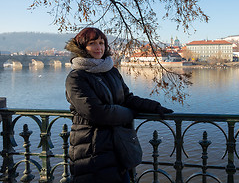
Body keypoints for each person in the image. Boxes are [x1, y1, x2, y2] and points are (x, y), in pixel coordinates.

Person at [65, 27, 173, 183]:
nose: (99, 47)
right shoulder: (76, 77)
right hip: (91, 149)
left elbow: (127, 98)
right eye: (92, 43)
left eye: (101, 43)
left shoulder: (111, 71)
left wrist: (154, 107)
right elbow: (96, 112)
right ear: (82, 47)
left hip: (118, 147)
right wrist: (130, 114)